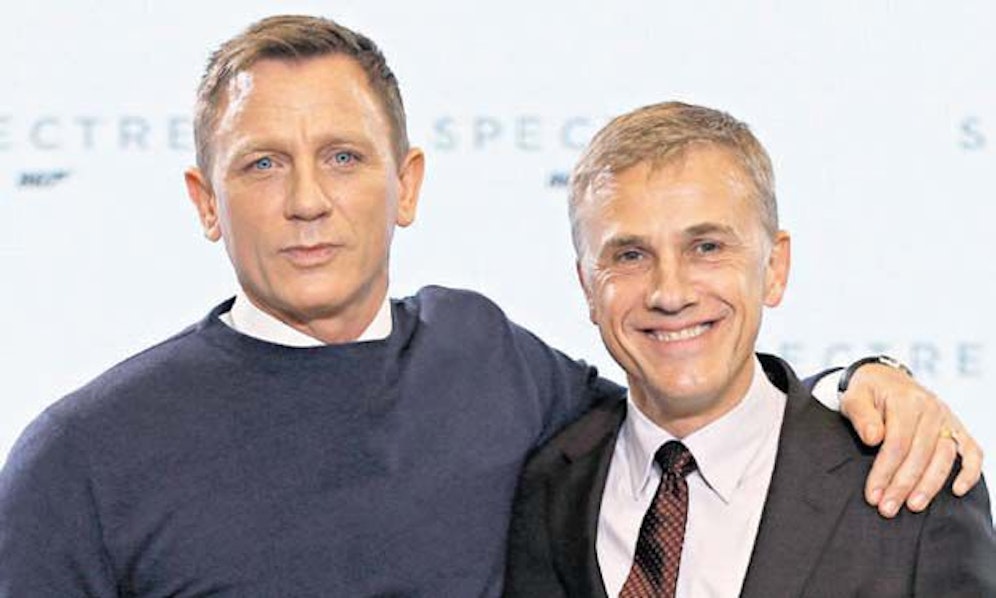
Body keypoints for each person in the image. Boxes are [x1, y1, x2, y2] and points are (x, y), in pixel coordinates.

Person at [0, 16, 983, 597]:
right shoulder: (79, 459)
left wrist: (863, 381)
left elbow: (689, 394)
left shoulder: (486, 358)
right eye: (262, 164)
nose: (307, 199)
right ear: (204, 201)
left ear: (408, 184)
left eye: (343, 156)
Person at [502, 101, 996, 597]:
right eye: (630, 256)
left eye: (707, 247)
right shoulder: (542, 491)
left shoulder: (916, 478)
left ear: (775, 268)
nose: (670, 293)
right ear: (588, 286)